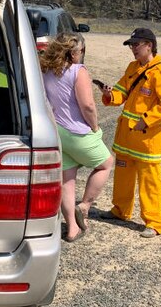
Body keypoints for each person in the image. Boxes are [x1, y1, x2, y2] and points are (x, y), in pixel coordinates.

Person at [98, 28, 161, 238]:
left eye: (136, 45)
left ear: (149, 45)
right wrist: (110, 94)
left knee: (149, 182)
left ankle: (154, 222)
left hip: (146, 140)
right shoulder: (133, 67)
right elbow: (121, 92)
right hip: (126, 138)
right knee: (123, 176)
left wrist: (146, 120)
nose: (132, 49)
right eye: (131, 45)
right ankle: (120, 210)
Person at [40, 32, 114, 243]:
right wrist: (95, 126)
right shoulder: (78, 71)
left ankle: (72, 228)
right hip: (77, 131)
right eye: (81, 51)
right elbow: (88, 105)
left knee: (67, 179)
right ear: (75, 52)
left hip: (56, 130)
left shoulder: (45, 69)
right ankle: (85, 206)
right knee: (106, 164)